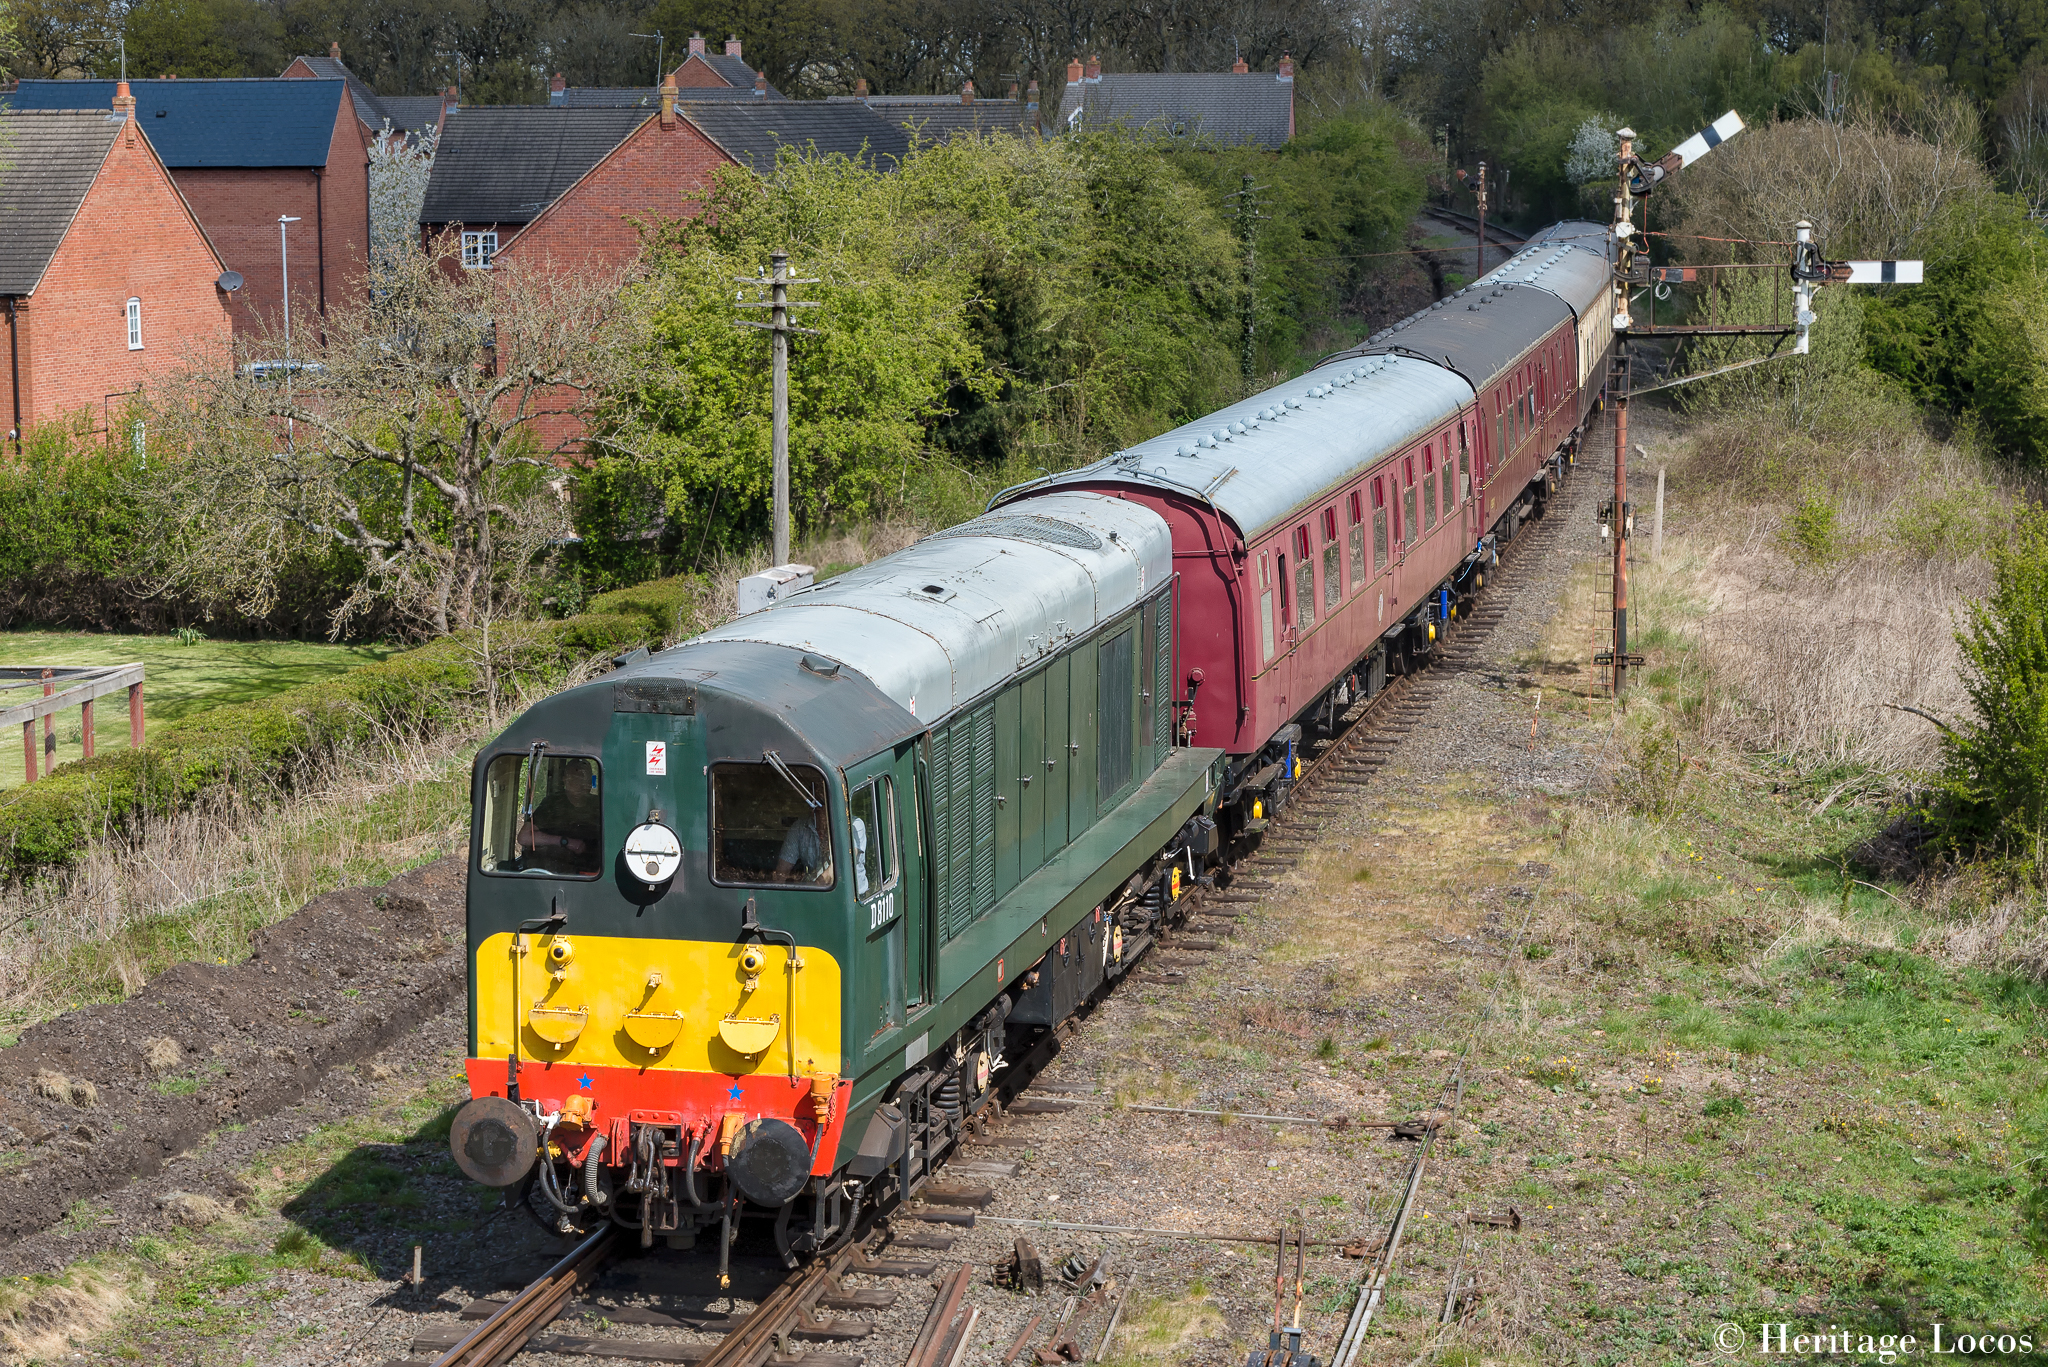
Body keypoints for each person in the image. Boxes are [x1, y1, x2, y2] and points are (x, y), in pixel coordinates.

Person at [519, 760, 602, 873]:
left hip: (594, 872)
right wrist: (565, 842)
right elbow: (524, 837)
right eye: (575, 778)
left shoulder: (599, 804)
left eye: (584, 778)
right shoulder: (553, 804)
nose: (580, 783)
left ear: (591, 781)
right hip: (555, 871)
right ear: (565, 780)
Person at [773, 807, 830, 884]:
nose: (821, 814)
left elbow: (837, 870)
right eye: (814, 805)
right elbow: (783, 870)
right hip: (810, 885)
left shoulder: (849, 827)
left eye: (823, 807)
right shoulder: (800, 828)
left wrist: (816, 886)